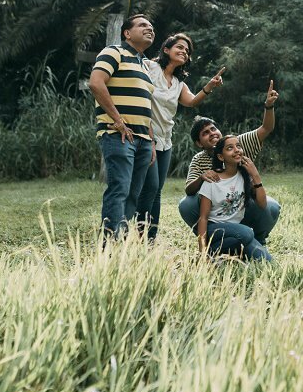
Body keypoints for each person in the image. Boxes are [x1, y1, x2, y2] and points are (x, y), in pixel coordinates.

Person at [136, 33, 224, 241]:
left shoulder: (178, 83)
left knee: (157, 190)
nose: (184, 51)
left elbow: (192, 101)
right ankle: (139, 236)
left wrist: (209, 86)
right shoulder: (149, 67)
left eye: (187, 51)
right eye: (180, 47)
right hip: (147, 136)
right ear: (166, 49)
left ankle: (150, 237)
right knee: (148, 189)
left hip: (165, 141)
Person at [179, 80, 281, 244]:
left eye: (213, 128)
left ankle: (258, 240)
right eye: (205, 133)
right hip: (214, 214)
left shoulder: (238, 144)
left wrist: (269, 106)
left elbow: (266, 129)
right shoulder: (199, 160)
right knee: (186, 204)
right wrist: (202, 177)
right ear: (199, 143)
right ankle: (213, 240)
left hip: (241, 205)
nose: (212, 133)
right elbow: (189, 190)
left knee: (272, 206)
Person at [88, 14, 155, 241]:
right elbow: (95, 83)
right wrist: (118, 120)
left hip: (143, 140)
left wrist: (151, 141)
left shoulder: (144, 65)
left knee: (133, 195)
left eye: (151, 26)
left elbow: (146, 108)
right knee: (120, 190)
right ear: (127, 33)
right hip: (118, 135)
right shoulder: (113, 52)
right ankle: (108, 244)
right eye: (143, 25)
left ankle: (122, 245)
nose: (150, 29)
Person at [196, 134, 273, 262]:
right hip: (215, 229)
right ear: (221, 156)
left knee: (268, 262)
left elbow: (263, 204)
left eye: (238, 146)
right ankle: (208, 255)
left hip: (237, 231)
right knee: (247, 233)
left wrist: (255, 175)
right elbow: (203, 218)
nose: (237, 150)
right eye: (230, 148)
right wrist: (202, 251)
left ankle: (226, 256)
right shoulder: (212, 181)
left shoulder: (244, 176)